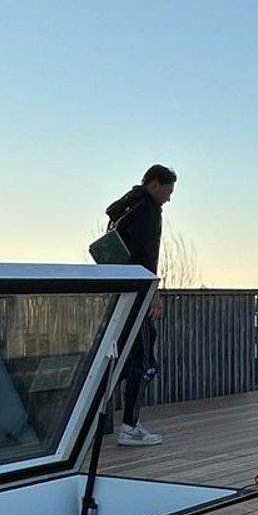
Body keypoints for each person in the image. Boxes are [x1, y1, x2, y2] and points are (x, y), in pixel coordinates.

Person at [101, 164, 176, 444]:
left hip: (120, 291)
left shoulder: (124, 207)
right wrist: (153, 292)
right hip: (137, 292)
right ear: (155, 184)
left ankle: (96, 411)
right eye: (168, 191)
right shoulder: (146, 210)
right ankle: (130, 427)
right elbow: (146, 255)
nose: (168, 198)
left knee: (126, 358)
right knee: (145, 362)